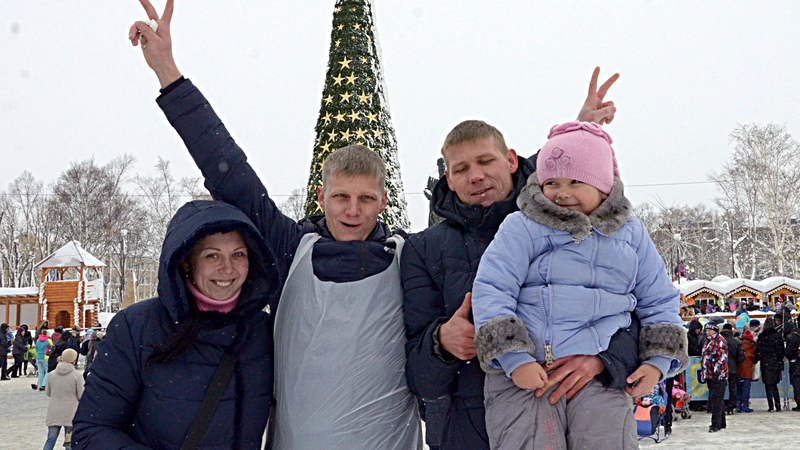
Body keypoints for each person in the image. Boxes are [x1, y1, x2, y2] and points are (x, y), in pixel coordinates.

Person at [127, 3, 421, 447]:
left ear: (383, 201)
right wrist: (167, 71)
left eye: (365, 199)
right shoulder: (289, 248)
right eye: (341, 197)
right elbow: (227, 169)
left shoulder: (411, 259)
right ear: (321, 197)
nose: (353, 211)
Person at [401, 84, 643, 449]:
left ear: (511, 161)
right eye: (462, 168)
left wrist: (605, 360)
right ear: (449, 179)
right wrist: (441, 344)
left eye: (486, 161)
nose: (475, 176)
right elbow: (417, 377)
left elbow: (639, 311)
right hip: (468, 436)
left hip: (582, 420)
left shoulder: (577, 220)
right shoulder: (422, 250)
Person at [472, 122, 688, 449]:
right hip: (528, 374)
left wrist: (657, 362)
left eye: (575, 181)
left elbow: (658, 299)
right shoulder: (523, 227)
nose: (562, 192)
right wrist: (514, 358)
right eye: (552, 182)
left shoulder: (631, 235)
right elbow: (493, 288)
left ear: (603, 187)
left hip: (600, 377)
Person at [72, 200, 282, 449]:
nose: (227, 268)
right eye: (212, 255)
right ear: (186, 262)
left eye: (238, 254)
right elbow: (92, 431)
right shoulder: (136, 327)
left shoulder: (264, 332)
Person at [43, 348, 84, 450]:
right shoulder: (77, 375)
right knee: (69, 441)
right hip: (70, 411)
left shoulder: (52, 374)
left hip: (54, 410)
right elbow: (81, 395)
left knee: (50, 439)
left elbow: (48, 392)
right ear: (73, 360)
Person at [701, 323, 728, 432]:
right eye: (706, 330)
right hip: (710, 374)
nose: (708, 332)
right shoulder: (707, 341)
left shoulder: (720, 341)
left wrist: (717, 371)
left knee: (716, 400)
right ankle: (721, 422)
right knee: (717, 399)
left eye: (710, 330)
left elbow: (722, 358)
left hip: (718, 375)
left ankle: (715, 424)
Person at [755, 317, 784, 412]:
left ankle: (770, 406)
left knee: (768, 385)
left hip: (765, 362)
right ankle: (778, 405)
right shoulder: (777, 335)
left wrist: (758, 358)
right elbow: (781, 350)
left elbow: (758, 351)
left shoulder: (762, 336)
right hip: (775, 362)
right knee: (774, 385)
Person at [720, 323, 743, 415]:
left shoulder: (719, 341)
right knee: (732, 388)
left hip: (720, 368)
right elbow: (741, 357)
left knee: (719, 388)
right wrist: (735, 363)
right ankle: (731, 406)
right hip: (733, 368)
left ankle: (721, 407)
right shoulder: (736, 342)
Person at [737, 329, 757, 413]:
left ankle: (738, 404)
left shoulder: (739, 344)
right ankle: (745, 405)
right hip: (748, 370)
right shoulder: (753, 347)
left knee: (738, 389)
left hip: (738, 369)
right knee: (746, 389)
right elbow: (755, 359)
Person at [784, 324, 800, 411]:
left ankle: (799, 403)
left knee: (797, 385)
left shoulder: (791, 337)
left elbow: (788, 352)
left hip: (795, 363)